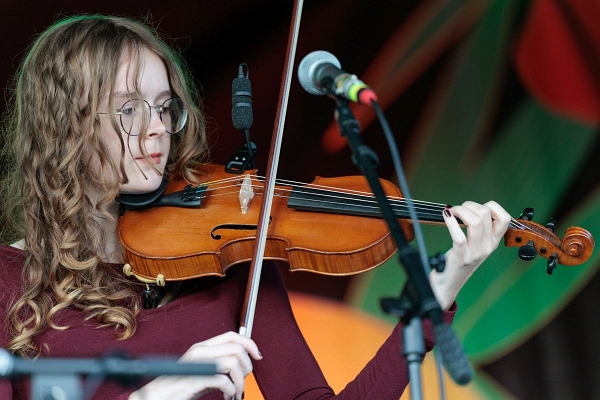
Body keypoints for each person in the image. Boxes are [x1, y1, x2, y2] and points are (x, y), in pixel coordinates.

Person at [0, 14, 511, 400]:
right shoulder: (8, 280)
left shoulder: (230, 254)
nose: (157, 127)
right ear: (64, 126)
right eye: (129, 108)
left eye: (165, 106)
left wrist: (435, 294)